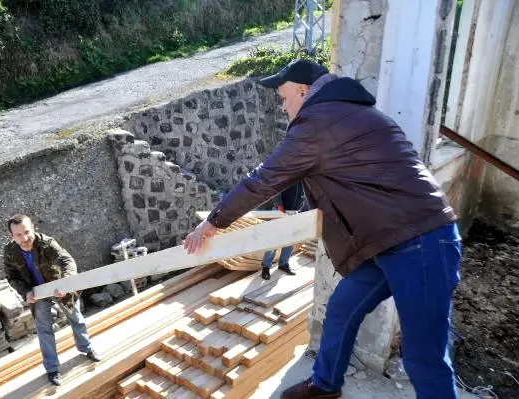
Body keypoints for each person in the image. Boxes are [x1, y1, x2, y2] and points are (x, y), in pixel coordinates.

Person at [184, 59, 461, 399]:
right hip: (387, 241)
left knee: (424, 356)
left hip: (420, 239)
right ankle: (325, 385)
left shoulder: (319, 123)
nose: (282, 106)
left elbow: (264, 179)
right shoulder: (344, 115)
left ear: (303, 91)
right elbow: (341, 183)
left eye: (284, 98)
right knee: (343, 308)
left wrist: (212, 222)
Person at [4, 214, 100, 386]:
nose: (25, 238)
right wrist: (25, 291)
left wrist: (67, 282)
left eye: (27, 232)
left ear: (33, 227)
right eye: (18, 235)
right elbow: (12, 276)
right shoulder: (10, 251)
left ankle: (87, 348)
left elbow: (67, 260)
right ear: (12, 236)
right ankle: (52, 369)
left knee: (76, 318)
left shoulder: (47, 243)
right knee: (44, 331)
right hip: (37, 293)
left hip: (59, 288)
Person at [260, 181, 306, 280]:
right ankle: (266, 266)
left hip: (295, 212)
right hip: (280, 210)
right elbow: (276, 187)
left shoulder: (305, 173)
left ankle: (284, 264)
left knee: (290, 240)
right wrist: (279, 204)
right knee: (274, 240)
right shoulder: (288, 170)